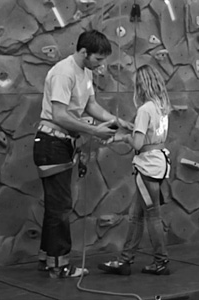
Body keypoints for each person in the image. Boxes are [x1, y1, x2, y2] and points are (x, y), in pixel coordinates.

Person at [34, 30, 133, 279]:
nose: (101, 65)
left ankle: (48, 258)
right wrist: (93, 131)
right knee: (61, 207)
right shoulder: (63, 73)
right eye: (98, 59)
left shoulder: (86, 72)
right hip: (51, 142)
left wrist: (118, 121)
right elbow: (59, 115)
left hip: (63, 142)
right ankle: (60, 264)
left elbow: (91, 106)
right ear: (83, 52)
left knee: (56, 206)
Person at [98, 65, 173, 276]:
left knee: (152, 216)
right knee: (136, 216)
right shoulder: (161, 107)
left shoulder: (144, 109)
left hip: (147, 167)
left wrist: (125, 137)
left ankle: (160, 260)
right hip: (158, 165)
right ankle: (125, 260)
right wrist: (127, 134)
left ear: (141, 85)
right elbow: (150, 137)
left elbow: (139, 144)